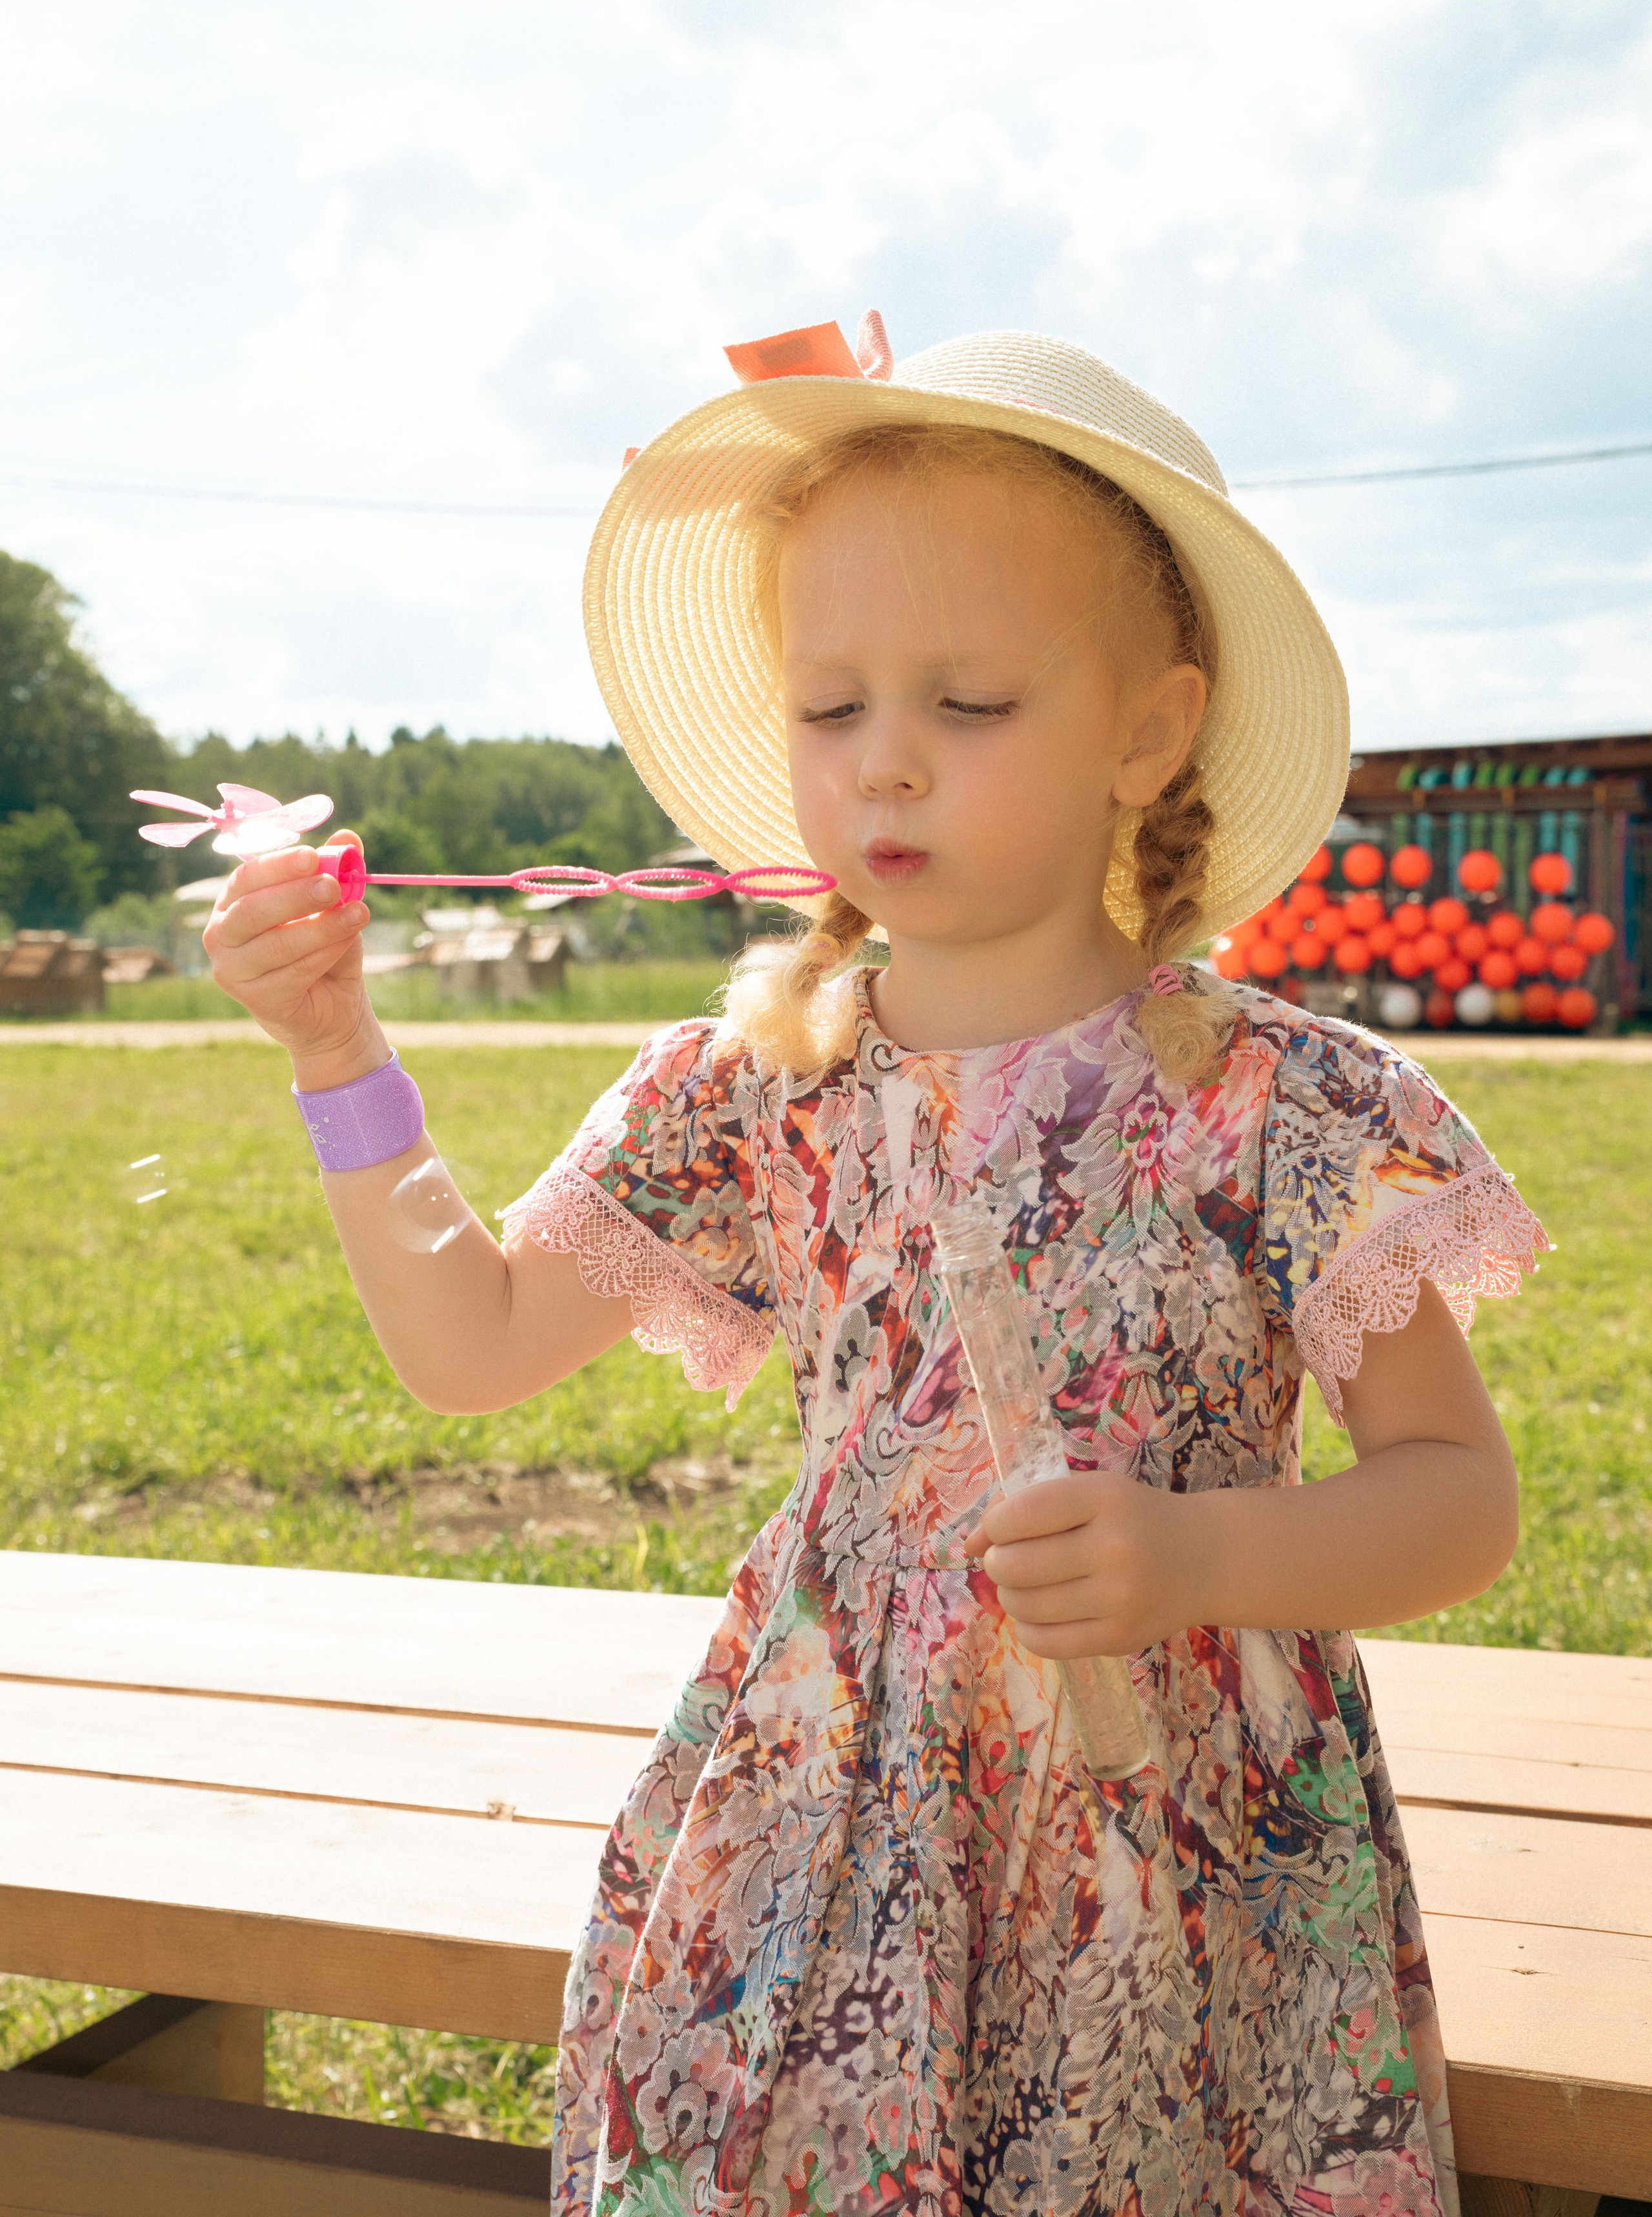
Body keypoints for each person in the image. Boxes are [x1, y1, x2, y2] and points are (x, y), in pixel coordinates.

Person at [205, 316, 1546, 2217]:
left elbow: (1460, 1501)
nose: (886, 769)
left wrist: (1197, 1556)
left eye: (968, 707)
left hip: (1182, 1863)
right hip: (832, 1810)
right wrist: (342, 1062)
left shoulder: (1284, 1104)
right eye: (834, 712)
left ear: (1146, 735)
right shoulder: (759, 1088)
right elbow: (475, 1337)